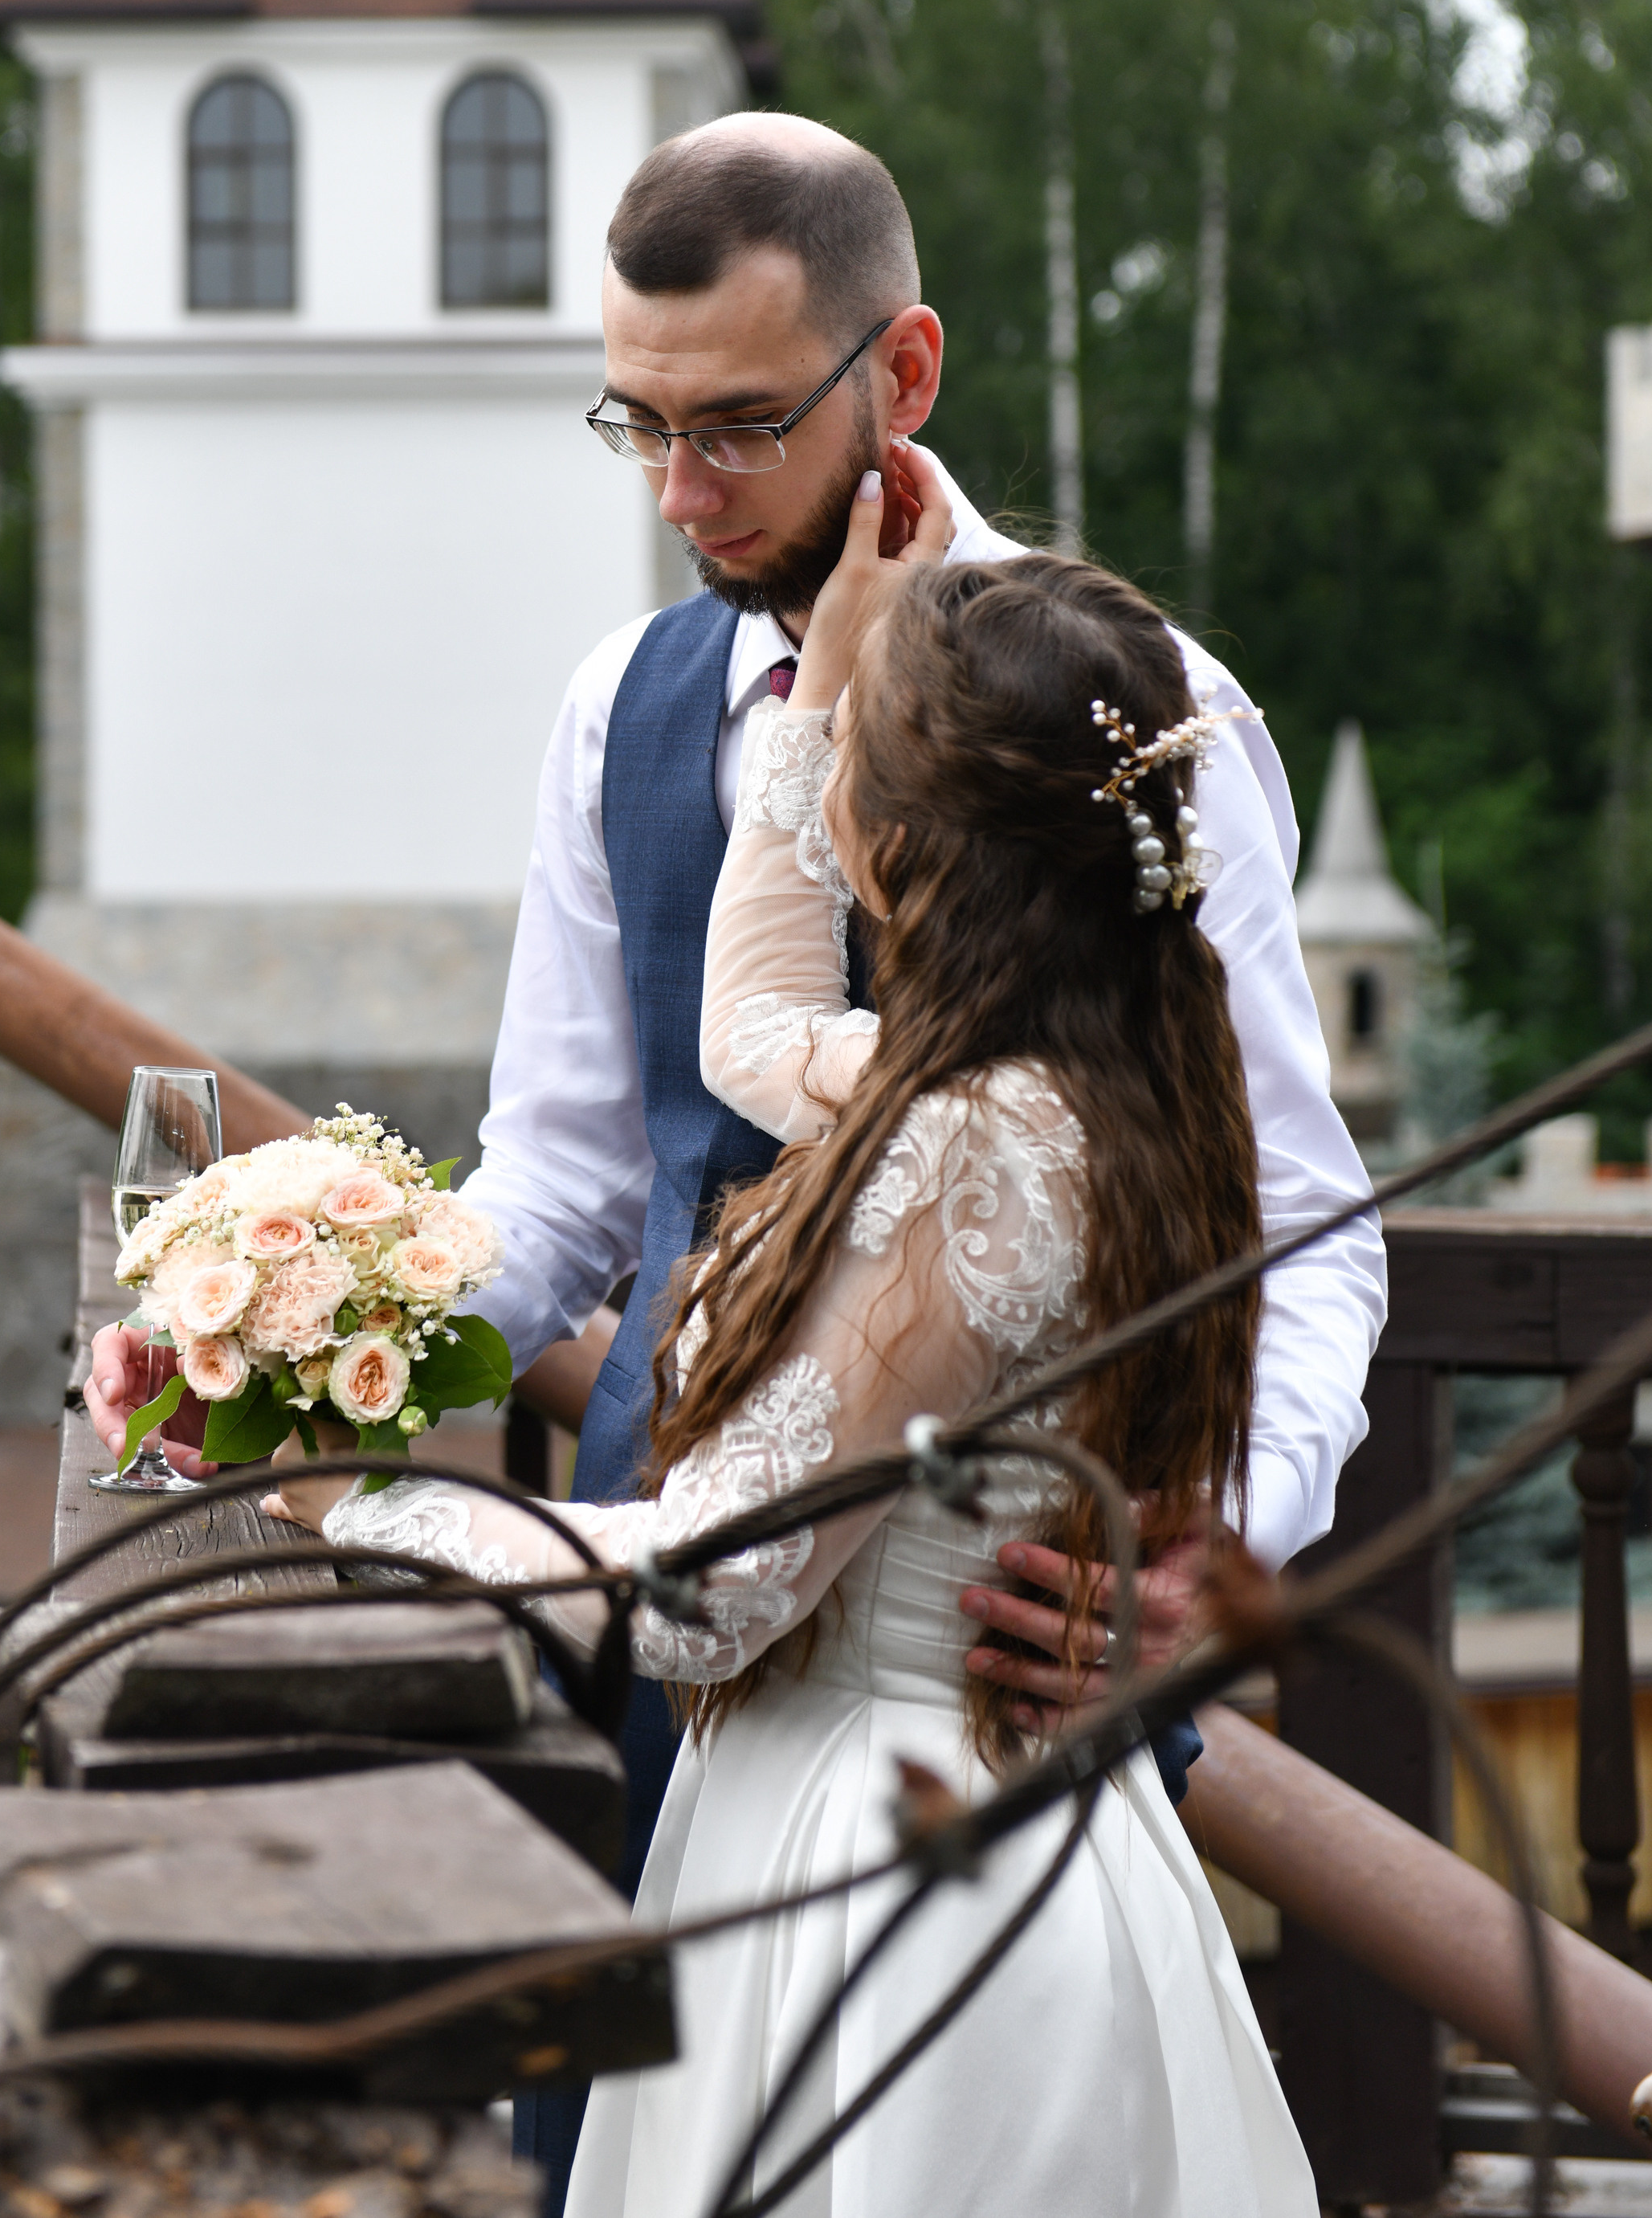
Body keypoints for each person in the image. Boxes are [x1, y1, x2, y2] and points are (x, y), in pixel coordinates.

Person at [86, 115, 1380, 2203]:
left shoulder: (1147, 720)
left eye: (742, 427)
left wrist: (1204, 1549)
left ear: (905, 371)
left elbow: (1292, 1226)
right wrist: (299, 1338)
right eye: (641, 426)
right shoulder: (625, 707)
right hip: (649, 1651)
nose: (683, 494)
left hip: (987, 1660)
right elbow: (567, 1173)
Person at [266, 517, 1319, 2216]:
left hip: (887, 1876)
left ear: (894, 842)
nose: (816, 775)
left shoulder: (961, 1150)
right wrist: (830, 672)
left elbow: (712, 1591)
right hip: (977, 1818)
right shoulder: (1094, 1080)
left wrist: (367, 1511)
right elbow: (746, 1031)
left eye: (844, 763)